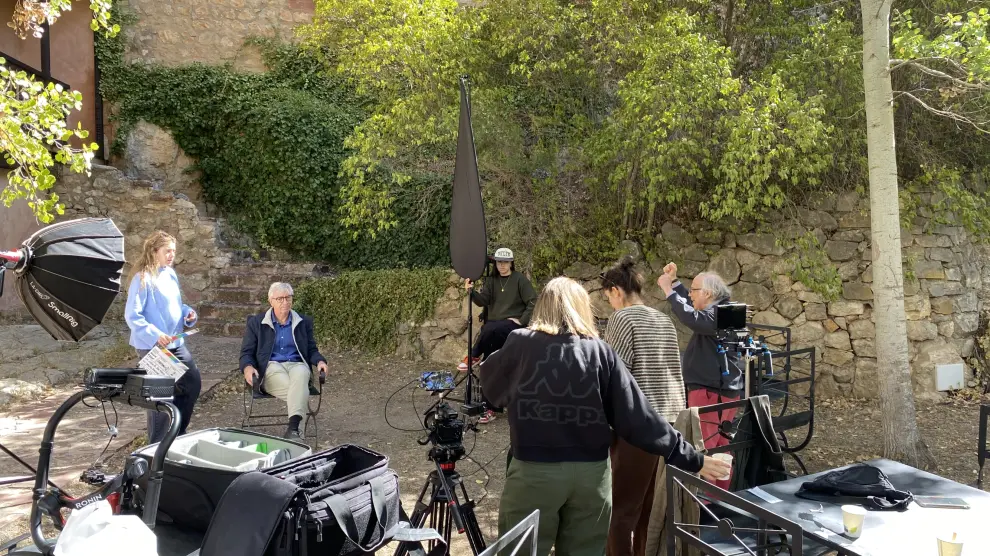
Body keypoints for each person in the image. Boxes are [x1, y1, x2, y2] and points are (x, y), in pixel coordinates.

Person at [480, 276, 730, 556]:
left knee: (521, 550)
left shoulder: (520, 343)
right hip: (592, 477)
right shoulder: (599, 351)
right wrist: (692, 458)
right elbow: (638, 416)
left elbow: (491, 391)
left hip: (535, 471)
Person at [600, 257, 686, 556]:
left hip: (638, 428)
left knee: (619, 512)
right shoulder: (662, 318)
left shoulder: (623, 319)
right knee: (647, 513)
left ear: (615, 291)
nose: (609, 303)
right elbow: (676, 374)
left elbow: (614, 376)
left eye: (607, 296)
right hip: (670, 426)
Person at [656, 263, 742, 488]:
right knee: (719, 442)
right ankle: (719, 492)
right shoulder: (724, 310)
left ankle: (710, 498)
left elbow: (692, 317)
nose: (691, 294)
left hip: (711, 390)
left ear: (708, 293)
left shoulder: (717, 315)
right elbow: (695, 308)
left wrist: (669, 291)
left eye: (694, 290)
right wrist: (675, 282)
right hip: (720, 389)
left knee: (707, 443)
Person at [125, 230, 201, 443]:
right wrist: (156, 335)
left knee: (192, 384)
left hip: (175, 342)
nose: (171, 255)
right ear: (154, 251)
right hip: (152, 347)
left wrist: (188, 314)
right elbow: (132, 316)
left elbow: (176, 305)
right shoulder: (142, 278)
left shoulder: (170, 274)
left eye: (174, 252)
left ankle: (177, 434)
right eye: (167, 251)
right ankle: (156, 448)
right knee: (161, 397)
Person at [240, 282, 329, 440]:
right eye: (280, 299)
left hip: (297, 365)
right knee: (300, 391)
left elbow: (311, 350)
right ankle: (296, 431)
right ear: (271, 301)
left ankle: (293, 429)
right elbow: (246, 353)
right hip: (271, 367)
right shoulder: (256, 323)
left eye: (288, 298)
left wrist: (320, 361)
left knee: (302, 373)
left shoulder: (302, 321)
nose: (285, 302)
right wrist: (247, 367)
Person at [460, 247, 537, 423]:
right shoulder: (492, 281)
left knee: (490, 328)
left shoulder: (519, 280)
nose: (502, 265)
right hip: (494, 330)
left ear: (511, 263)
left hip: (511, 327)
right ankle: (489, 408)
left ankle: (473, 354)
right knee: (489, 364)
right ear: (495, 263)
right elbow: (483, 301)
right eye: (499, 262)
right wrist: (471, 292)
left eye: (505, 262)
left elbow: (533, 300)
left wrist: (522, 320)